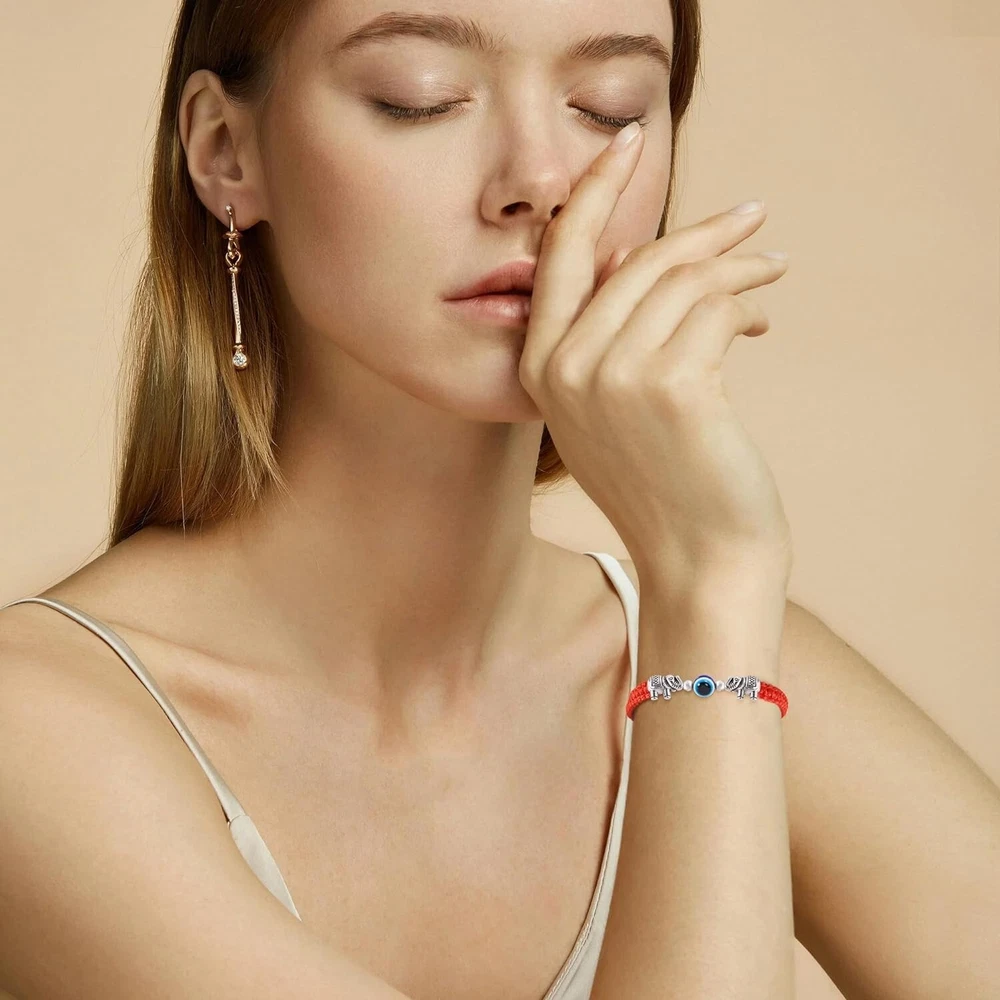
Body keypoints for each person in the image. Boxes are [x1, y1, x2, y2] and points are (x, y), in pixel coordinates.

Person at [3, 2, 999, 999]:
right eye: (421, 100)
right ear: (226, 152)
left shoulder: (726, 654)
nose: (540, 180)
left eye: (608, 109)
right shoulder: (34, 729)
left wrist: (712, 605)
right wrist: (709, 582)